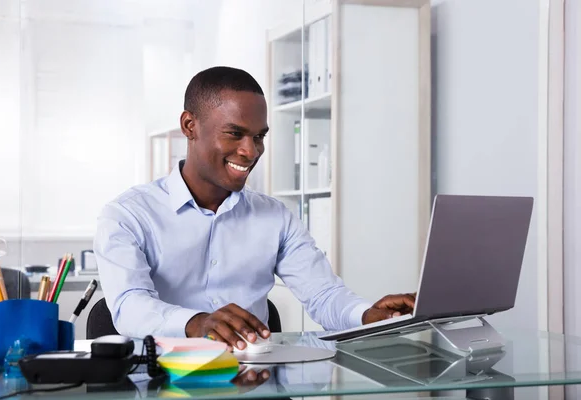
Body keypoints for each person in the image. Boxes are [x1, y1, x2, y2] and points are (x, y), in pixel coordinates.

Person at [94, 66, 415, 352]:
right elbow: (129, 306)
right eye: (235, 133)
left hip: (252, 383)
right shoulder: (128, 216)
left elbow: (323, 296)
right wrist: (197, 323)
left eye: (258, 136)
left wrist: (369, 316)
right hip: (162, 385)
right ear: (190, 125)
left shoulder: (276, 217)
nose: (250, 151)